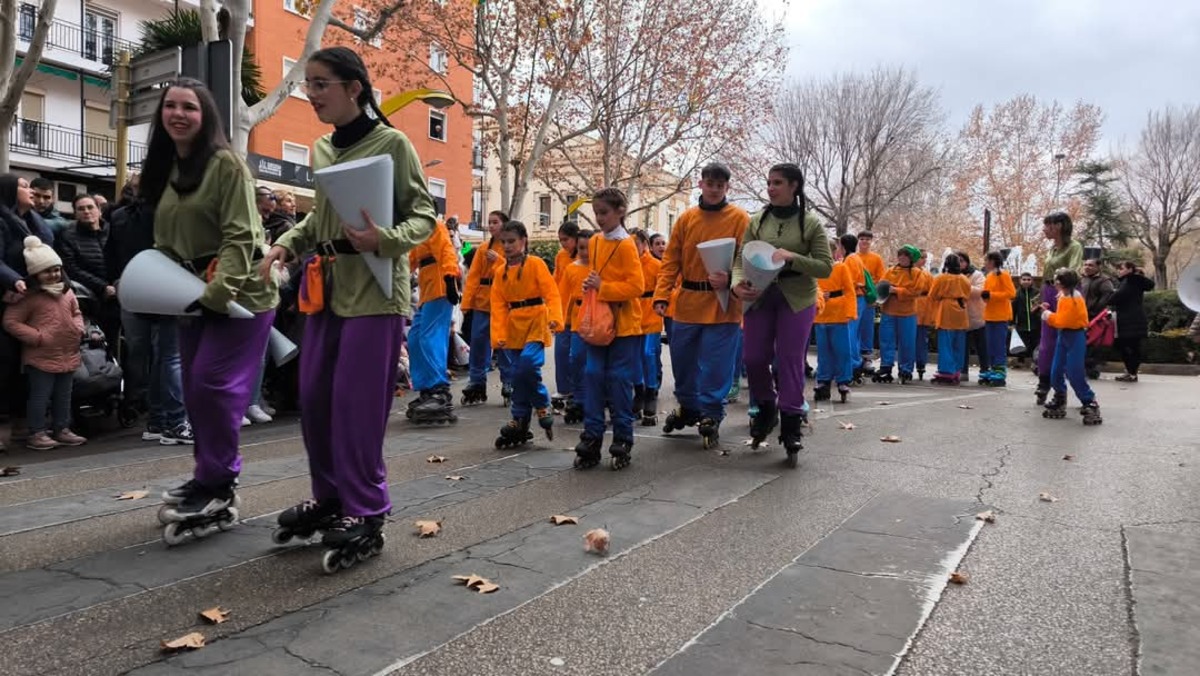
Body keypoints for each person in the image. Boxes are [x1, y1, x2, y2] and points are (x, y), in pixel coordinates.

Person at [260, 47, 436, 559]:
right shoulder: (320, 150)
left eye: (320, 84)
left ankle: (366, 508)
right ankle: (331, 498)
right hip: (327, 290)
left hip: (377, 293)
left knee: (357, 407)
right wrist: (284, 244)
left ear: (353, 88)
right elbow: (320, 221)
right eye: (308, 84)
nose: (310, 94)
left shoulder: (393, 143)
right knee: (315, 401)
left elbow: (424, 216)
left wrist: (383, 239)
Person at [140, 78, 279, 527]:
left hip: (241, 295)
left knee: (211, 386)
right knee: (197, 393)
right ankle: (208, 475)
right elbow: (163, 240)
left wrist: (218, 295)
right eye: (171, 106)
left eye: (190, 108)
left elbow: (240, 235)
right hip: (188, 295)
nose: (179, 114)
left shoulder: (227, 165)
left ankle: (219, 482)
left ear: (206, 117)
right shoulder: (164, 169)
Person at [731, 163, 832, 466]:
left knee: (789, 359)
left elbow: (825, 267)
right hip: (759, 296)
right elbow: (741, 258)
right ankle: (765, 407)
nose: (771, 188)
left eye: (777, 183)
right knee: (753, 359)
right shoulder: (757, 220)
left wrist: (793, 258)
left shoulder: (811, 223)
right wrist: (737, 284)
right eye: (769, 182)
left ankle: (791, 423)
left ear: (794, 186)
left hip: (797, 298)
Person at [653, 163, 747, 450]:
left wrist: (731, 278)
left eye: (720, 184)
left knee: (717, 365)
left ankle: (711, 413)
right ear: (701, 184)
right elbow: (671, 260)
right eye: (710, 183)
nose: (715, 189)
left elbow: (748, 259)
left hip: (724, 304)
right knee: (683, 363)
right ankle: (689, 406)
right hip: (688, 303)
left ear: (727, 187)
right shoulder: (686, 219)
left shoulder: (740, 218)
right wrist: (661, 294)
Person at [104, 174, 192, 445]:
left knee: (151, 358)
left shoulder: (119, 217)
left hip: (133, 291)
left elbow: (110, 255)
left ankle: (156, 421)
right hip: (166, 288)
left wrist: (118, 281)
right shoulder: (168, 213)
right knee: (171, 357)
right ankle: (176, 422)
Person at [574, 188, 643, 470]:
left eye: (604, 213)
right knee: (592, 376)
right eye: (597, 213)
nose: (599, 218)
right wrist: (592, 286)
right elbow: (598, 275)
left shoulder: (627, 245)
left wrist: (604, 288)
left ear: (620, 211)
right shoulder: (595, 242)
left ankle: (623, 437)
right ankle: (592, 436)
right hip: (599, 322)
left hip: (624, 324)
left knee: (618, 379)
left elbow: (637, 286)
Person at [2, 237, 87, 449]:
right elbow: (11, 321)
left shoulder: (67, 292)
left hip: (68, 351)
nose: (54, 275)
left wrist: (79, 328)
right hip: (41, 355)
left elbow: (77, 312)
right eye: (48, 271)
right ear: (35, 274)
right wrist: (37, 337)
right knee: (40, 395)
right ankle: (37, 432)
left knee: (63, 395)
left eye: (57, 270)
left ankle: (62, 428)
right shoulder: (27, 297)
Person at [490, 220, 562, 447]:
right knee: (515, 373)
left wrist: (555, 318)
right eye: (504, 242)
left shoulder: (536, 264)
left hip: (536, 321)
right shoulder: (500, 272)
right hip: (514, 326)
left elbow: (551, 293)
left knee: (528, 364)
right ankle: (519, 418)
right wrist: (498, 334)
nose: (507, 246)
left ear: (523, 241)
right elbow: (498, 306)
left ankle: (542, 404)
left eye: (512, 241)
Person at [1, 174, 55, 447]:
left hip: (32, 300)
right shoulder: (2, 221)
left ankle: (29, 423)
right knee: (5, 362)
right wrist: (12, 281)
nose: (31, 190)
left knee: (30, 363)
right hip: (7, 299)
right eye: (23, 186)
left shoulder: (35, 223)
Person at [405, 204, 462, 424]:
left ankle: (439, 389)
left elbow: (447, 251)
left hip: (440, 286)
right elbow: (409, 261)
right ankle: (426, 387)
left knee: (430, 338)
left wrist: (450, 278)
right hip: (427, 291)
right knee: (415, 338)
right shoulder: (417, 232)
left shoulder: (435, 226)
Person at [1040, 268, 1102, 424]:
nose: (1054, 282)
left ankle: (1090, 402)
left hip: (1075, 336)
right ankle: (1060, 397)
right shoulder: (1065, 296)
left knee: (1074, 373)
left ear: (1062, 283)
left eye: (1056, 280)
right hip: (1064, 335)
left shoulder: (1072, 298)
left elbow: (1062, 321)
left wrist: (1047, 315)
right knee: (1055, 371)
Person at [460, 211, 509, 406]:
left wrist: (498, 260)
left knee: (503, 344)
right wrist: (466, 304)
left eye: (495, 222)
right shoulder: (481, 249)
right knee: (478, 342)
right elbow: (472, 278)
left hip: (503, 303)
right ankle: (477, 381)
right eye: (489, 222)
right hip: (482, 301)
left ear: (504, 224)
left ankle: (509, 380)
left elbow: (514, 271)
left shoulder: (510, 247)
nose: (491, 226)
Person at [57, 193, 120, 345]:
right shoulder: (68, 236)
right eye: (81, 209)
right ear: (75, 213)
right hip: (89, 299)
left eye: (90, 207)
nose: (86, 211)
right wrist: (102, 287)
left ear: (99, 210)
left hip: (119, 294)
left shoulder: (114, 231)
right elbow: (71, 268)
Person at [1035, 212, 1084, 405]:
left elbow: (1074, 271)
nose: (1045, 229)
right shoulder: (1052, 249)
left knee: (1064, 340)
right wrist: (1040, 299)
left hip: (1065, 293)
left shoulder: (1074, 247)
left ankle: (1061, 388)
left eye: (1048, 225)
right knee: (1047, 341)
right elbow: (1047, 274)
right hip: (1049, 291)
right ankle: (1044, 381)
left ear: (1059, 226)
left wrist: (1063, 291)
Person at [873, 245, 929, 384]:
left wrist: (896, 291)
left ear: (911, 258)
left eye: (906, 256)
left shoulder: (917, 273)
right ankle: (886, 366)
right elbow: (881, 287)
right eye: (901, 255)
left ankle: (906, 368)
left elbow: (916, 291)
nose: (902, 258)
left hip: (907, 313)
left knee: (907, 342)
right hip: (889, 311)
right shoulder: (890, 271)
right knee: (886, 340)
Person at [812, 236, 857, 404]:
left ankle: (843, 380)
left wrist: (851, 312)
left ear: (834, 252)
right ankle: (823, 379)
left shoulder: (841, 268)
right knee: (823, 351)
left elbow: (849, 290)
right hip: (821, 315)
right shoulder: (814, 270)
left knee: (842, 350)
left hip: (838, 315)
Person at [557, 229, 593, 424]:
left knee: (595, 362)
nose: (585, 252)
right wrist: (559, 320)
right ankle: (579, 397)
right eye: (581, 248)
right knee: (576, 358)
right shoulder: (571, 268)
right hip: (578, 318)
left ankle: (597, 397)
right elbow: (563, 297)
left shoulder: (601, 267)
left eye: (589, 248)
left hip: (598, 317)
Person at [631, 228, 663, 425]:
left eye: (637, 244)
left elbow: (665, 286)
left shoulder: (656, 265)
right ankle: (638, 390)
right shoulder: (628, 265)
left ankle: (651, 392)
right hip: (633, 314)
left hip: (651, 312)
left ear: (644, 244)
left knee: (648, 353)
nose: (634, 249)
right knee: (634, 355)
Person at [1107, 260, 1155, 382]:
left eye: (1121, 268)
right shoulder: (1128, 282)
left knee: (1130, 346)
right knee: (1127, 346)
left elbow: (1115, 298)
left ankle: (1132, 373)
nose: (1118, 271)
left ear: (1130, 269)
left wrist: (1112, 295)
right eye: (1118, 268)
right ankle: (1130, 372)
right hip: (1129, 319)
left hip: (1131, 320)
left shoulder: (1130, 282)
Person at [929, 254, 971, 384]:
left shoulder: (941, 278)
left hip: (946, 310)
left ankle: (946, 371)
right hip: (961, 310)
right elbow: (967, 295)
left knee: (946, 343)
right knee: (959, 343)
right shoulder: (964, 279)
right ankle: (957, 370)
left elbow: (932, 295)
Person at [551, 220, 580, 407]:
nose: (563, 244)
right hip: (562, 312)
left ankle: (580, 391)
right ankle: (563, 389)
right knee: (560, 353)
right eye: (560, 240)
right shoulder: (561, 256)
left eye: (566, 239)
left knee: (576, 356)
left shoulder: (586, 256)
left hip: (579, 313)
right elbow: (555, 280)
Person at [848, 230, 884, 372]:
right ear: (858, 241)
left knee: (867, 327)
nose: (864, 242)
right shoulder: (853, 257)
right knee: (854, 328)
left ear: (871, 242)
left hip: (868, 296)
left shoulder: (876, 258)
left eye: (867, 239)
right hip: (855, 296)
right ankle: (855, 357)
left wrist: (875, 297)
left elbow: (881, 278)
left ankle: (866, 357)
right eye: (862, 239)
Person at [978, 250, 1017, 386]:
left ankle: (1000, 372)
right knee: (990, 345)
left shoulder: (1003, 275)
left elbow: (1011, 293)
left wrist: (991, 295)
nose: (985, 263)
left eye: (986, 260)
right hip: (990, 314)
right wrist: (985, 296)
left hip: (1000, 315)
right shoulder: (989, 276)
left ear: (992, 261)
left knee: (998, 345)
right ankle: (993, 369)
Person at [1080, 258, 1114, 379]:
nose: (1087, 267)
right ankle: (1081, 367)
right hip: (1081, 316)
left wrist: (1095, 311)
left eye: (1091, 265)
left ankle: (1092, 369)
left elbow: (1107, 296)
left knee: (1093, 344)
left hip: (1095, 317)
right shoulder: (1082, 279)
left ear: (1098, 267)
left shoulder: (1104, 281)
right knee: (1081, 342)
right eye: (1085, 265)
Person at [957, 251, 987, 381]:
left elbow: (980, 291)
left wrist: (963, 285)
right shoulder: (952, 275)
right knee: (962, 346)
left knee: (982, 346)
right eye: (957, 261)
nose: (959, 264)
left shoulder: (977, 274)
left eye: (962, 261)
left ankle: (985, 370)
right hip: (959, 317)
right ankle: (963, 370)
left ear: (967, 262)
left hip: (977, 316)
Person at [1011, 272, 1041, 368]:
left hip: (1035, 323)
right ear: (1020, 281)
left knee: (1035, 343)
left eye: (1028, 279)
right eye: (1024, 279)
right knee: (1022, 343)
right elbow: (1013, 309)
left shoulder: (1037, 293)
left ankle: (1035, 362)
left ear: (1032, 281)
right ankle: (1020, 361)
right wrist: (1011, 323)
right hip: (1021, 324)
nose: (1026, 281)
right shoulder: (1016, 293)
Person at [913, 250, 935, 380]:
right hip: (912, 306)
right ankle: (909, 364)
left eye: (925, 258)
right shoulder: (912, 273)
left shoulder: (927, 274)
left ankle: (921, 364)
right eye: (922, 257)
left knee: (922, 339)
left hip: (924, 309)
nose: (924, 260)